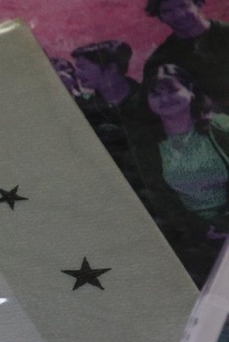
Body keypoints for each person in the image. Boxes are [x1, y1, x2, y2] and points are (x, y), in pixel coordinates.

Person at [133, 63, 229, 286]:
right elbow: (159, 199)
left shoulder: (221, 128)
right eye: (156, 94)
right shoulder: (147, 148)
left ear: (191, 90)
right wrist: (199, 229)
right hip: (192, 238)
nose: (165, 99)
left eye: (173, 90)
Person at [71, 40, 156, 187]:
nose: (77, 73)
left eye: (83, 68)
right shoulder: (83, 109)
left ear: (111, 69)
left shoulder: (150, 100)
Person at [143, 0, 229, 111]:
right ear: (160, 17)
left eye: (183, 6)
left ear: (198, 4)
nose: (178, 15)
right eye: (167, 11)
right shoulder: (159, 61)